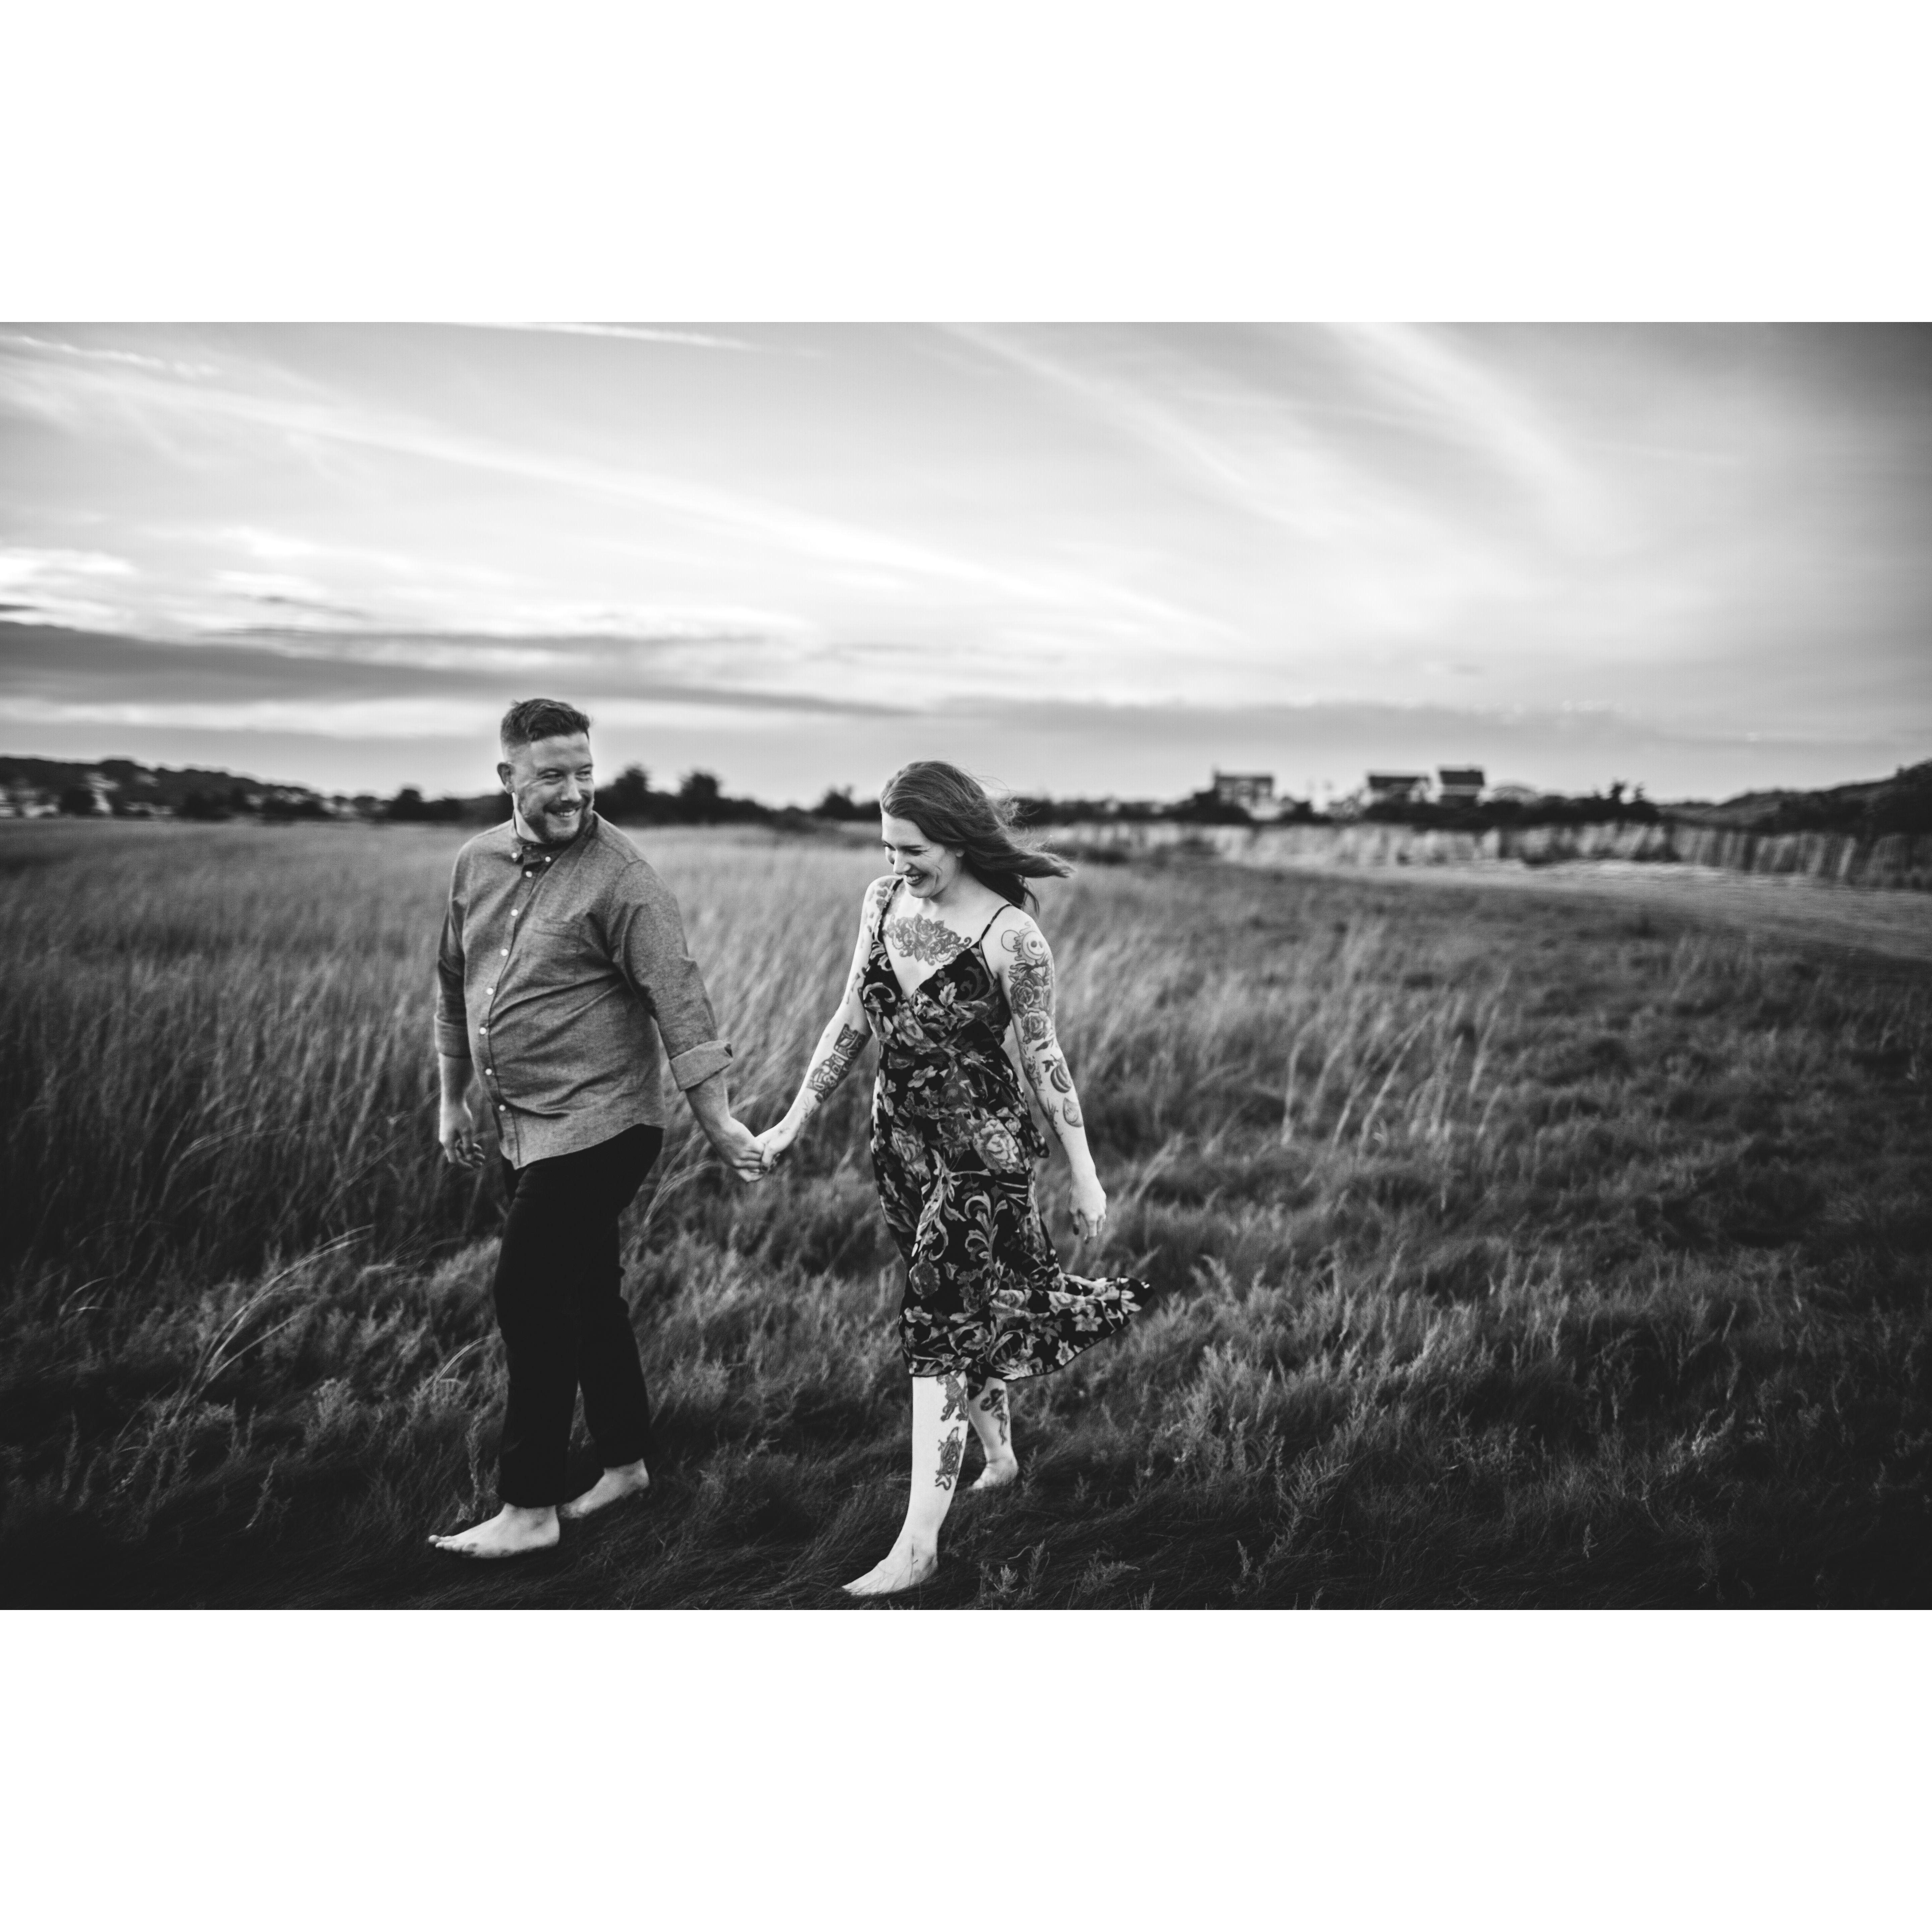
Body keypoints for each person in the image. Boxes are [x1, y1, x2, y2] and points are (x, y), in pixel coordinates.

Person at [755, 760, 1142, 1596]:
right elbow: (852, 1016)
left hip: (983, 1152)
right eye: (889, 847)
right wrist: (792, 1121)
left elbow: (1045, 1059)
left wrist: (1085, 1175)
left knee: (935, 1323)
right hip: (899, 1142)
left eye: (916, 849)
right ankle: (1000, 1459)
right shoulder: (881, 901)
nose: (900, 863)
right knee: (962, 1317)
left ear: (959, 842)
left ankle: (918, 1544)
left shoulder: (1013, 938)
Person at [430, 698, 764, 1559]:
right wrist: (451, 1096)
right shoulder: (475, 863)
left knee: (527, 1294)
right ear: (507, 777)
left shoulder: (624, 877)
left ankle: (529, 1508)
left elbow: (681, 1002)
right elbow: (452, 982)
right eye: (552, 775)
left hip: (604, 1126)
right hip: (522, 1124)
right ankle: (626, 1466)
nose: (574, 790)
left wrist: (719, 1120)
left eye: (585, 771)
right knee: (588, 1299)